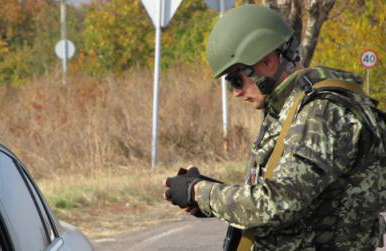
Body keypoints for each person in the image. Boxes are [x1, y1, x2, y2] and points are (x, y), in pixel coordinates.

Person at [163, 4, 386, 251]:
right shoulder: (292, 107)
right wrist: (211, 200)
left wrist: (201, 193)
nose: (236, 92)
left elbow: (278, 202)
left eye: (236, 79)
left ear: (267, 61)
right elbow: (297, 202)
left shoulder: (321, 113)